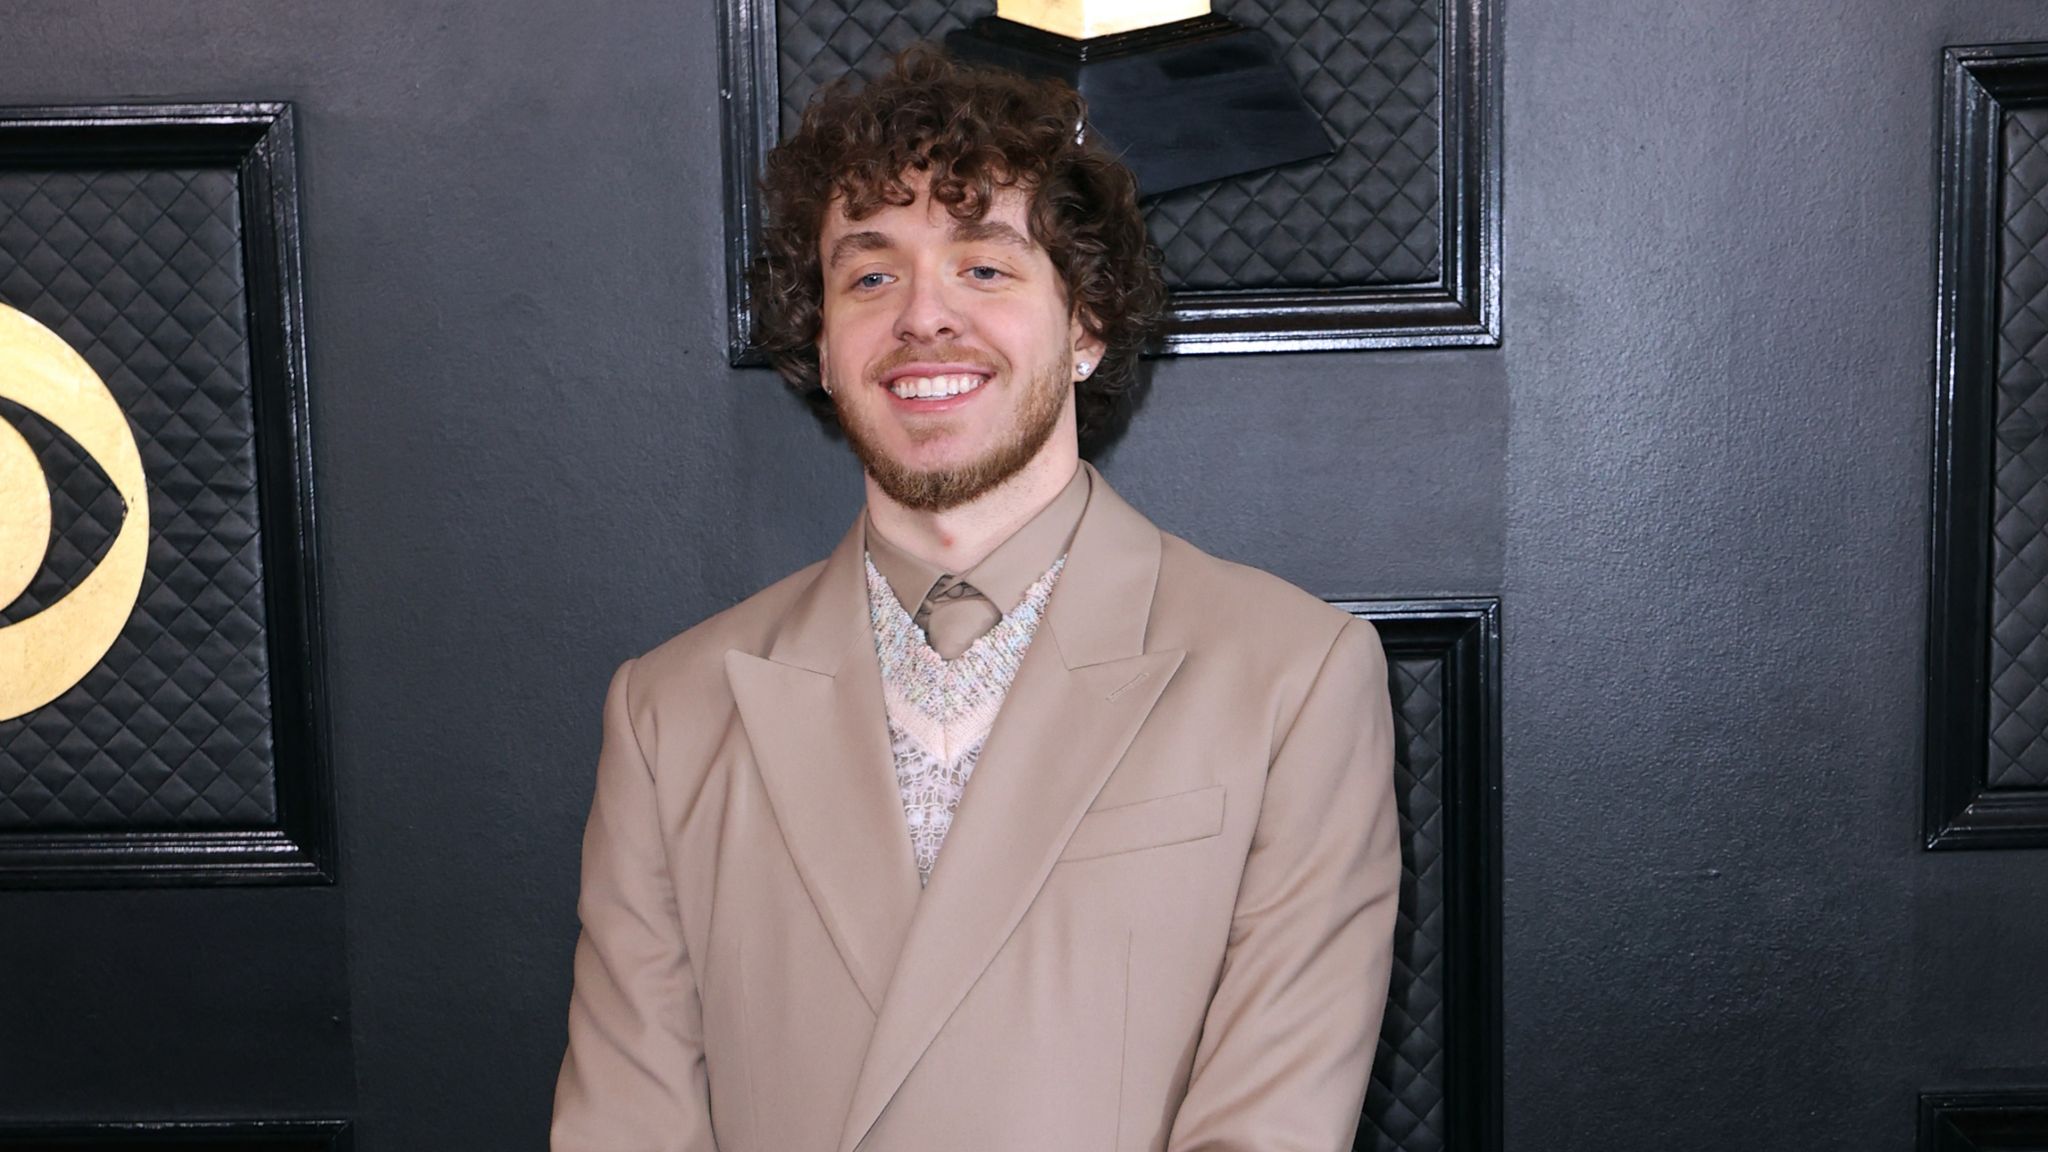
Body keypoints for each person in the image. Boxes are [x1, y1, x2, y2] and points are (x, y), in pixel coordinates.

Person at [552, 46, 1401, 1152]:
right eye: (868, 275)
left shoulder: (1291, 675)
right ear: (819, 336)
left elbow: (1272, 1125)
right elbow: (627, 1128)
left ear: (1086, 326)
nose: (921, 318)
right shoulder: (669, 711)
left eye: (984, 269)